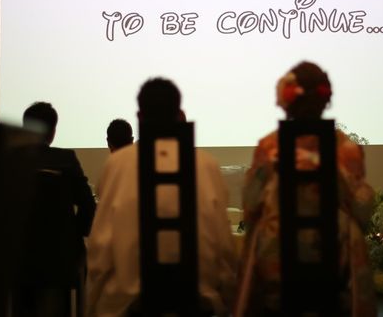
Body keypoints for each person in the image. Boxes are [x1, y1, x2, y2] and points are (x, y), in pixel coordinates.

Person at [86, 78, 237, 317]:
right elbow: (225, 251)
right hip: (199, 306)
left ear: (139, 117)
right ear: (180, 114)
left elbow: (100, 251)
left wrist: (94, 306)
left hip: (130, 308)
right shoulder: (206, 165)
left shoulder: (117, 165)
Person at [236, 61, 376, 317]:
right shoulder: (347, 150)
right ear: (325, 99)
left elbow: (250, 207)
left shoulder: (268, 147)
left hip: (275, 266)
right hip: (336, 266)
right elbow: (362, 211)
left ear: (286, 99)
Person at [14, 102, 97, 317]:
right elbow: (88, 205)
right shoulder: (66, 159)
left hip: (19, 257)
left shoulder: (12, 160)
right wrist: (74, 233)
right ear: (52, 132)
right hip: (60, 258)